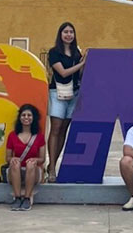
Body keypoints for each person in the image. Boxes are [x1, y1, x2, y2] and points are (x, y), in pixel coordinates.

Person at [46, 22, 86, 182]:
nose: (68, 35)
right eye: (65, 32)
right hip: (58, 92)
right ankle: (52, 168)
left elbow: (79, 74)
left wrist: (84, 61)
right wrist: (82, 64)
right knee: (55, 128)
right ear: (60, 34)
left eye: (71, 32)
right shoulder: (54, 52)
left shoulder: (76, 52)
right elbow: (62, 72)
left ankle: (53, 164)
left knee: (64, 129)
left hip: (74, 93)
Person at [6, 104, 46, 211]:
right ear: (20, 118)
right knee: (15, 163)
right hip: (16, 169)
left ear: (33, 118)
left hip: (32, 170)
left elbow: (42, 158)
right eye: (23, 115)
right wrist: (12, 159)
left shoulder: (39, 137)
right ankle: (17, 198)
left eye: (29, 115)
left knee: (31, 164)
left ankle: (27, 198)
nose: (26, 118)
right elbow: (8, 157)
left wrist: (35, 160)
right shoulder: (12, 135)